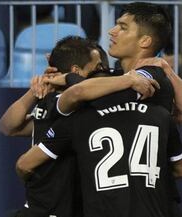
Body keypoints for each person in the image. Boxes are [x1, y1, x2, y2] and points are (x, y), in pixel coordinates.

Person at [16, 2, 182, 216]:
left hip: (145, 201)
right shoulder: (117, 79)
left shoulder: (151, 76)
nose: (112, 31)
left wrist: (67, 79)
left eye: (123, 27)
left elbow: (76, 94)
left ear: (145, 41)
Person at [0, 36, 156, 217]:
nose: (101, 72)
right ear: (76, 71)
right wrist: (35, 90)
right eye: (97, 67)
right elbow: (7, 127)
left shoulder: (56, 104)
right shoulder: (68, 105)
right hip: (53, 209)